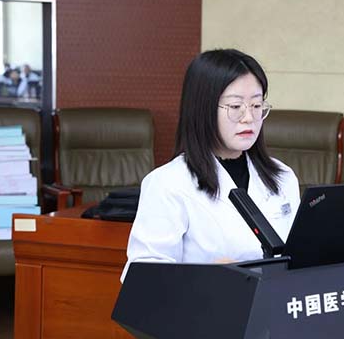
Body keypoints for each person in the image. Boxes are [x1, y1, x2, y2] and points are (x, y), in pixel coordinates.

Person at [121, 49, 300, 282]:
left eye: (257, 106)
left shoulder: (283, 176)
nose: (248, 117)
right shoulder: (168, 184)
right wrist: (209, 276)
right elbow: (142, 279)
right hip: (207, 304)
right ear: (202, 108)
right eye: (235, 107)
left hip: (277, 302)